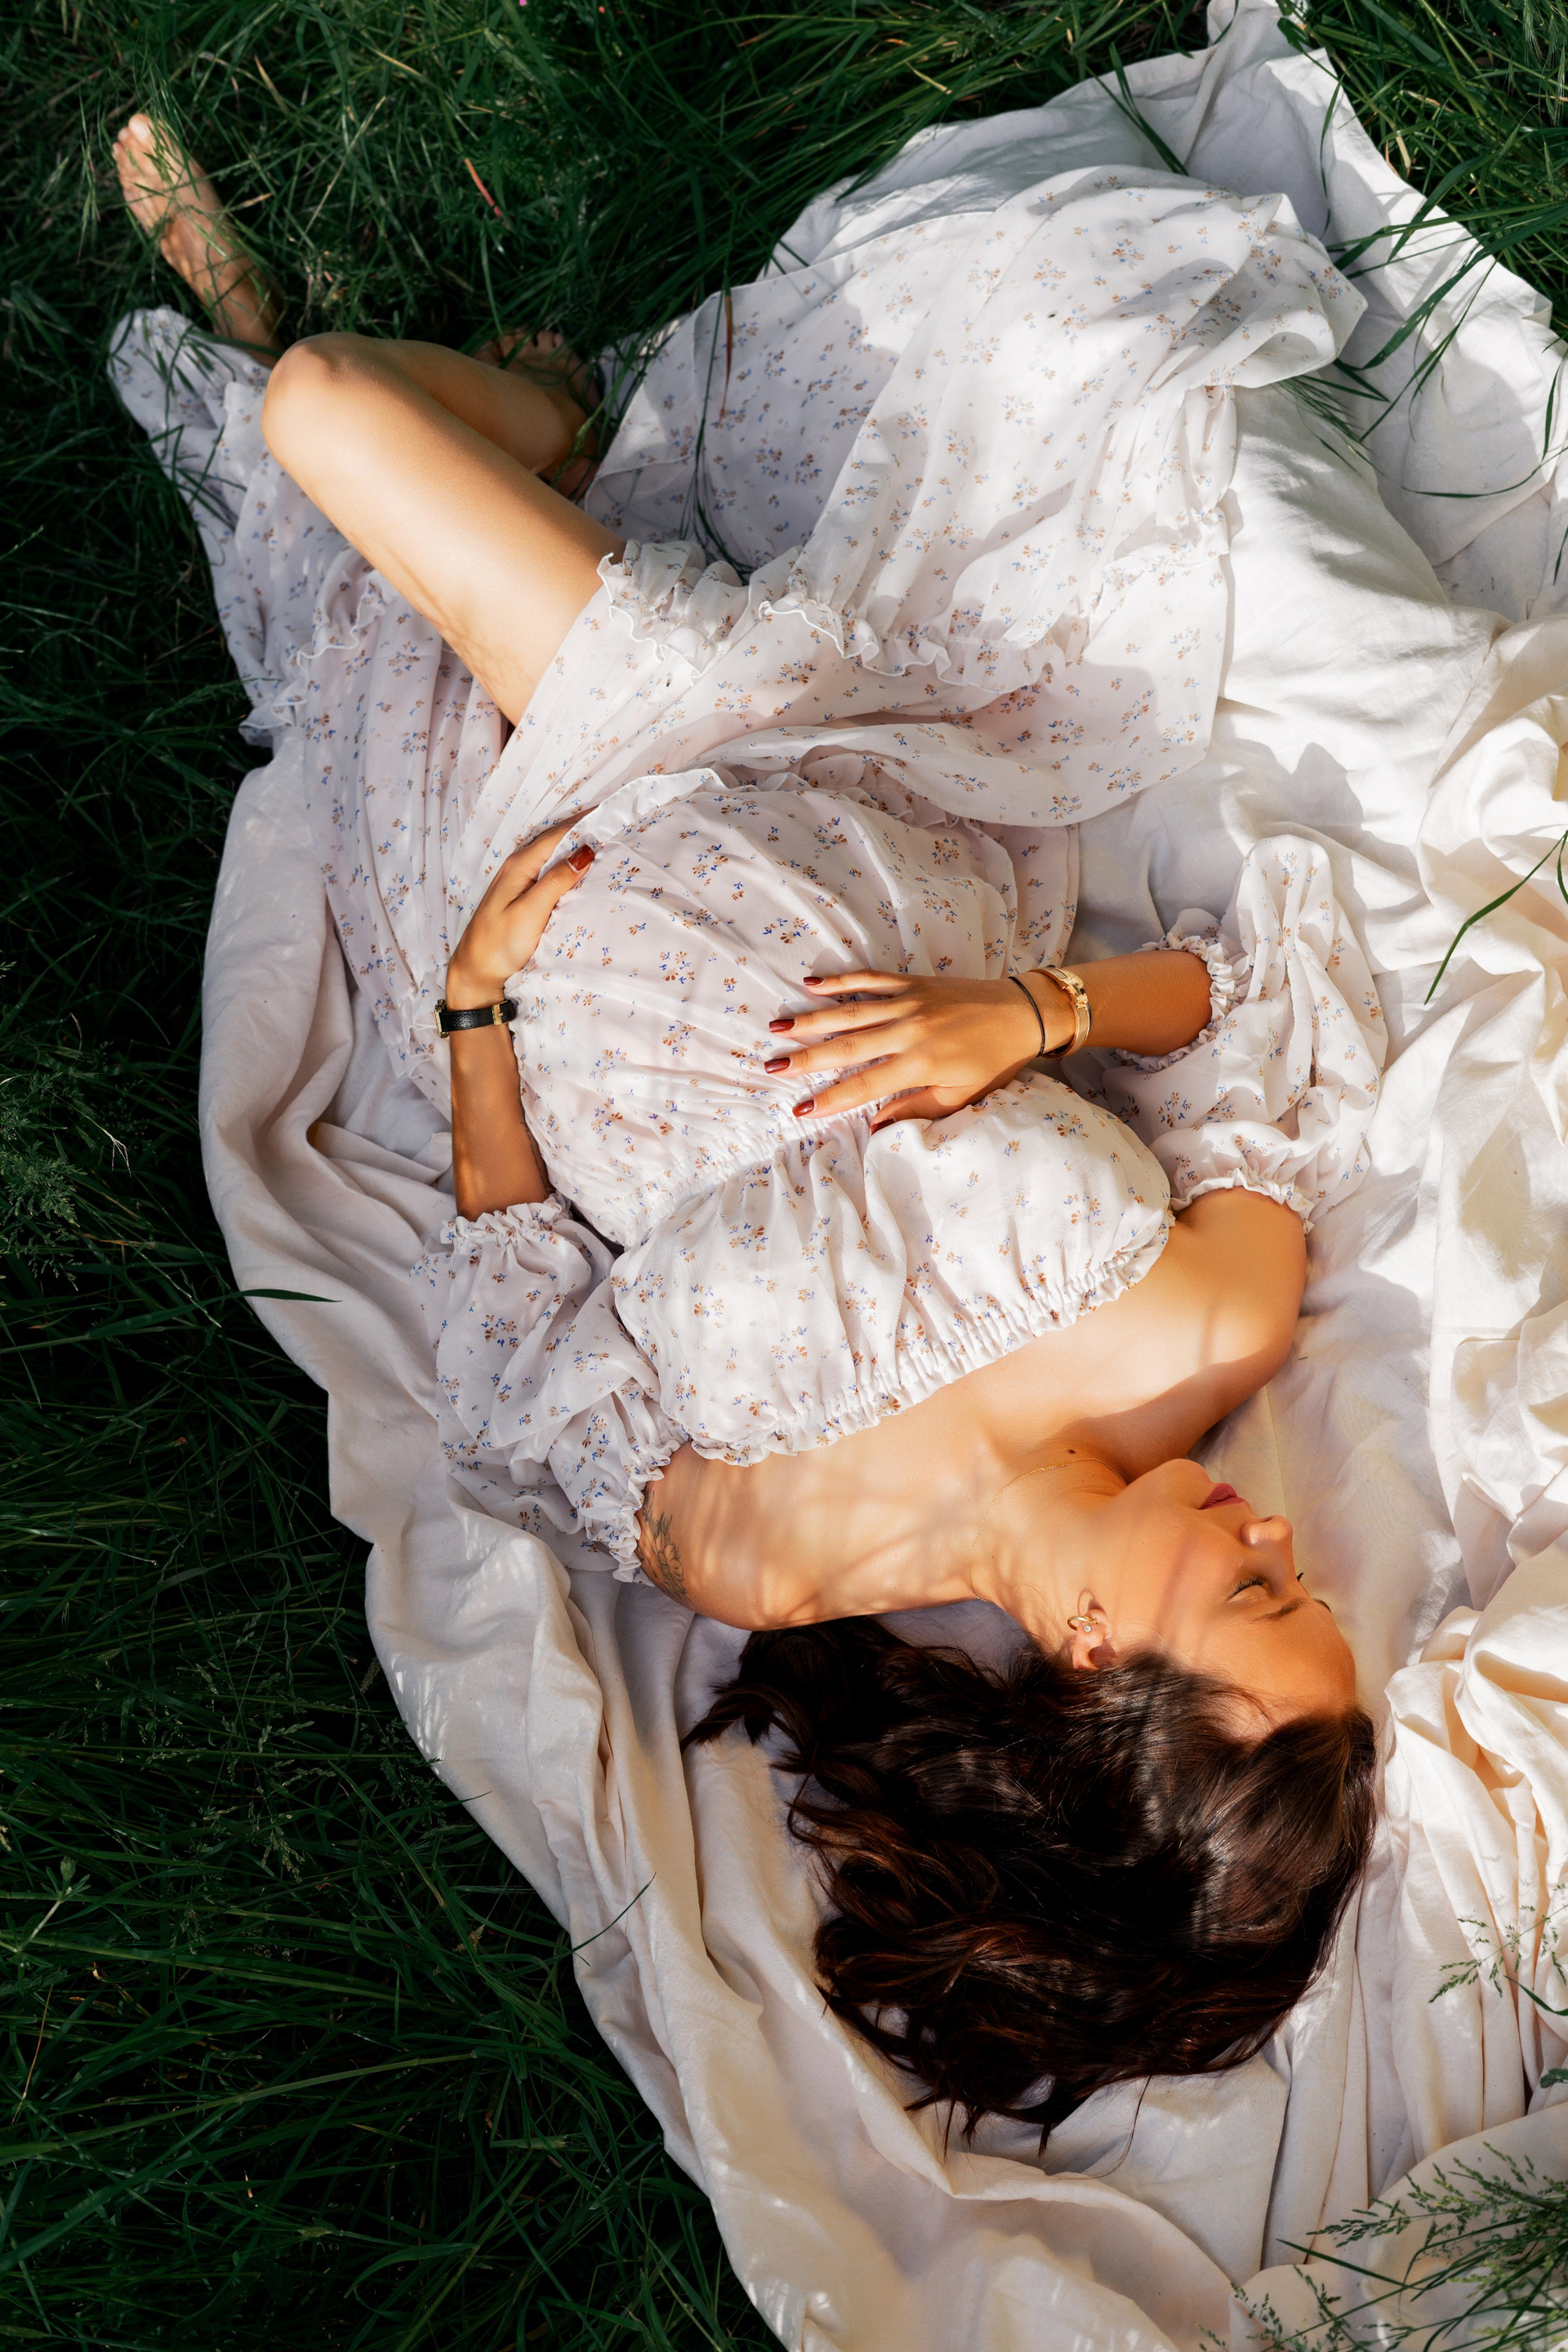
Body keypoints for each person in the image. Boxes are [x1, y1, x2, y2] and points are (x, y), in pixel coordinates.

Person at [112, 111, 1380, 2140]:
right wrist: (1035, 1014)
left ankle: (502, 425)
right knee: (327, 410)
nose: (1280, 1537)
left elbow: (518, 1333)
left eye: (1255, 1597)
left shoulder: (769, 1557)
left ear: (1087, 1658)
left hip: (537, 889)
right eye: (1299, 1581)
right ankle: (541, 418)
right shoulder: (1208, 1324)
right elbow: (1250, 997)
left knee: (315, 440)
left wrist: (474, 1018)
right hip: (776, 762)